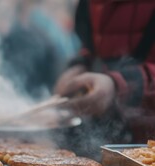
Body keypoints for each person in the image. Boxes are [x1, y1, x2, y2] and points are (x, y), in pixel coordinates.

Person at [54, 0, 155, 143]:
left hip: (147, 144)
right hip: (102, 135)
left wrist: (117, 85)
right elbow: (94, 44)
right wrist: (80, 65)